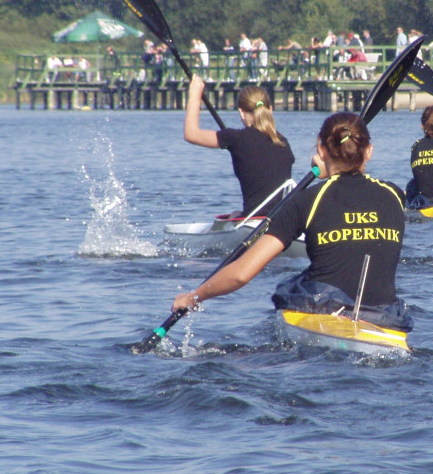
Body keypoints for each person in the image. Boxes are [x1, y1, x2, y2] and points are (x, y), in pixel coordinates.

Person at [172, 112, 411, 331]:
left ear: (321, 148)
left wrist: (195, 296)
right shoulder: (395, 195)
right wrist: (334, 172)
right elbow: (352, 197)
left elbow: (241, 274)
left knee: (287, 288)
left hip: (328, 312)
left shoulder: (305, 201)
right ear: (368, 151)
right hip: (386, 317)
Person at [183, 76, 295, 217]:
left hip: (254, 220)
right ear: (270, 109)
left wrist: (194, 96)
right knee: (237, 214)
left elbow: (191, 134)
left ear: (241, 112)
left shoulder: (236, 138)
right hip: (283, 219)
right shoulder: (284, 143)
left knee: (234, 215)